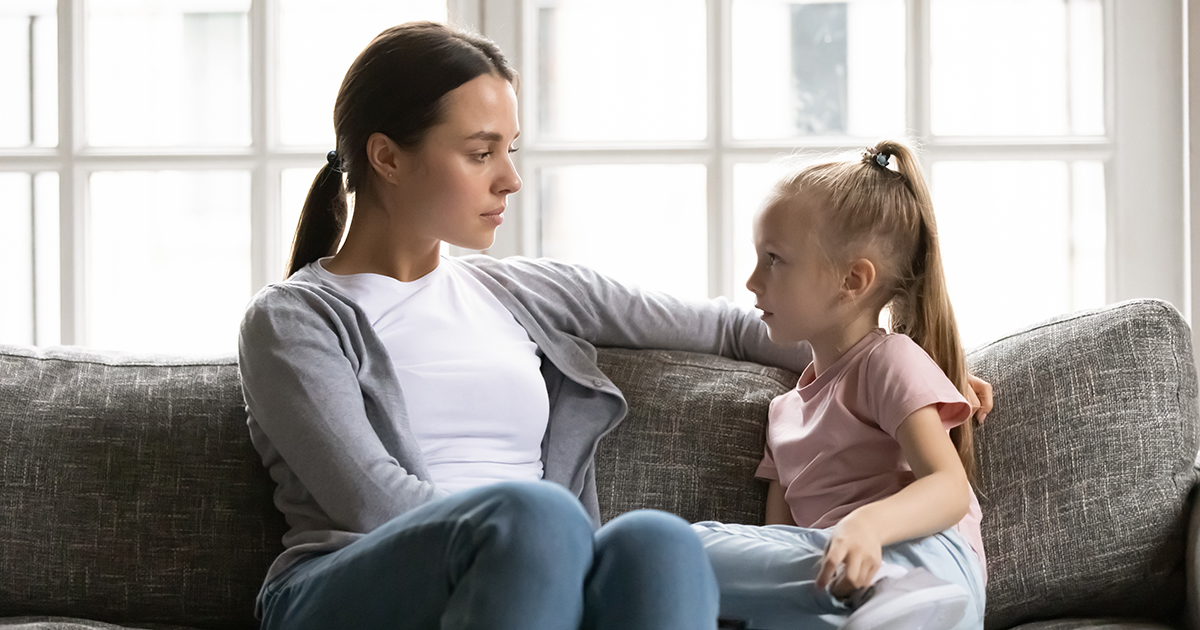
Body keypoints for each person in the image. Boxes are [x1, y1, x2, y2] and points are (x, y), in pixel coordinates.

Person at [237, 21, 993, 630]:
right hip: (349, 587)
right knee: (540, 517)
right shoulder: (293, 322)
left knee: (659, 543)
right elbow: (369, 504)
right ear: (386, 159)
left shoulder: (523, 291)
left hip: (538, 561)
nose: (510, 177)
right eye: (480, 152)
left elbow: (743, 327)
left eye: (512, 149)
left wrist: (908, 366)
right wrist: (548, 541)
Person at [692, 141, 988, 630]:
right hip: (836, 578)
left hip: (923, 557)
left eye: (773, 259)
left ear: (852, 280)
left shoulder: (888, 360)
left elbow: (949, 488)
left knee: (687, 545)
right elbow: (778, 543)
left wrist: (866, 526)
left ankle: (906, 603)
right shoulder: (783, 412)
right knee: (677, 546)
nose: (751, 281)